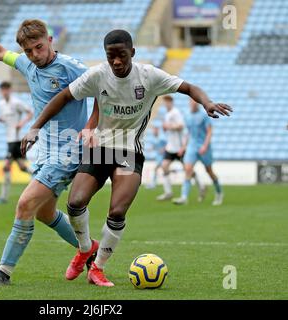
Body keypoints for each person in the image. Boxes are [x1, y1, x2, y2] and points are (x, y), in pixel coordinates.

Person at [21, 29, 232, 286]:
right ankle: (85, 247)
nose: (117, 62)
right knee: (75, 202)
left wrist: (206, 102)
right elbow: (64, 96)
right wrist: (35, 127)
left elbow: (189, 87)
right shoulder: (98, 75)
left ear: (132, 52)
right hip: (99, 149)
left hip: (129, 152)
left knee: (118, 211)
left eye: (122, 55)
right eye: (111, 56)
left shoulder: (149, 75)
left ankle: (97, 267)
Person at [0, 13, 99, 286]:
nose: (34, 54)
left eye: (39, 47)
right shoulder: (28, 65)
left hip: (68, 152)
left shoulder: (71, 67)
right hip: (44, 151)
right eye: (28, 50)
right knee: (44, 213)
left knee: (25, 204)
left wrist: (90, 126)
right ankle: (89, 250)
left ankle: (3, 272)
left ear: (49, 40)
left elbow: (103, 90)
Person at [0, 81, 34, 205]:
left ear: (10, 90)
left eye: (6, 89)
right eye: (2, 90)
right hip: (9, 139)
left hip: (16, 139)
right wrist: (1, 119)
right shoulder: (1, 104)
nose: (4, 92)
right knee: (22, 167)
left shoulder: (16, 102)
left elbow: (30, 113)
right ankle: (44, 178)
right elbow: (7, 118)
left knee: (6, 166)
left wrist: (22, 123)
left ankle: (3, 197)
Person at [173, 99, 224, 205]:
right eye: (191, 102)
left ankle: (219, 193)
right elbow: (188, 133)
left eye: (195, 103)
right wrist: (183, 146)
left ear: (198, 104)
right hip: (192, 146)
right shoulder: (186, 115)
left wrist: (205, 146)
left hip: (203, 147)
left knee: (209, 171)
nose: (192, 104)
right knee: (188, 169)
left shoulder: (204, 115)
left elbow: (209, 131)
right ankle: (184, 197)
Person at [156, 96, 205, 201]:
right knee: (164, 166)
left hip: (179, 148)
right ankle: (168, 192)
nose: (165, 104)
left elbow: (181, 126)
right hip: (171, 147)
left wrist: (169, 127)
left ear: (171, 102)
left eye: (167, 102)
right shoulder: (168, 114)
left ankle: (201, 186)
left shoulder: (175, 112)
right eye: (164, 102)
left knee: (188, 170)